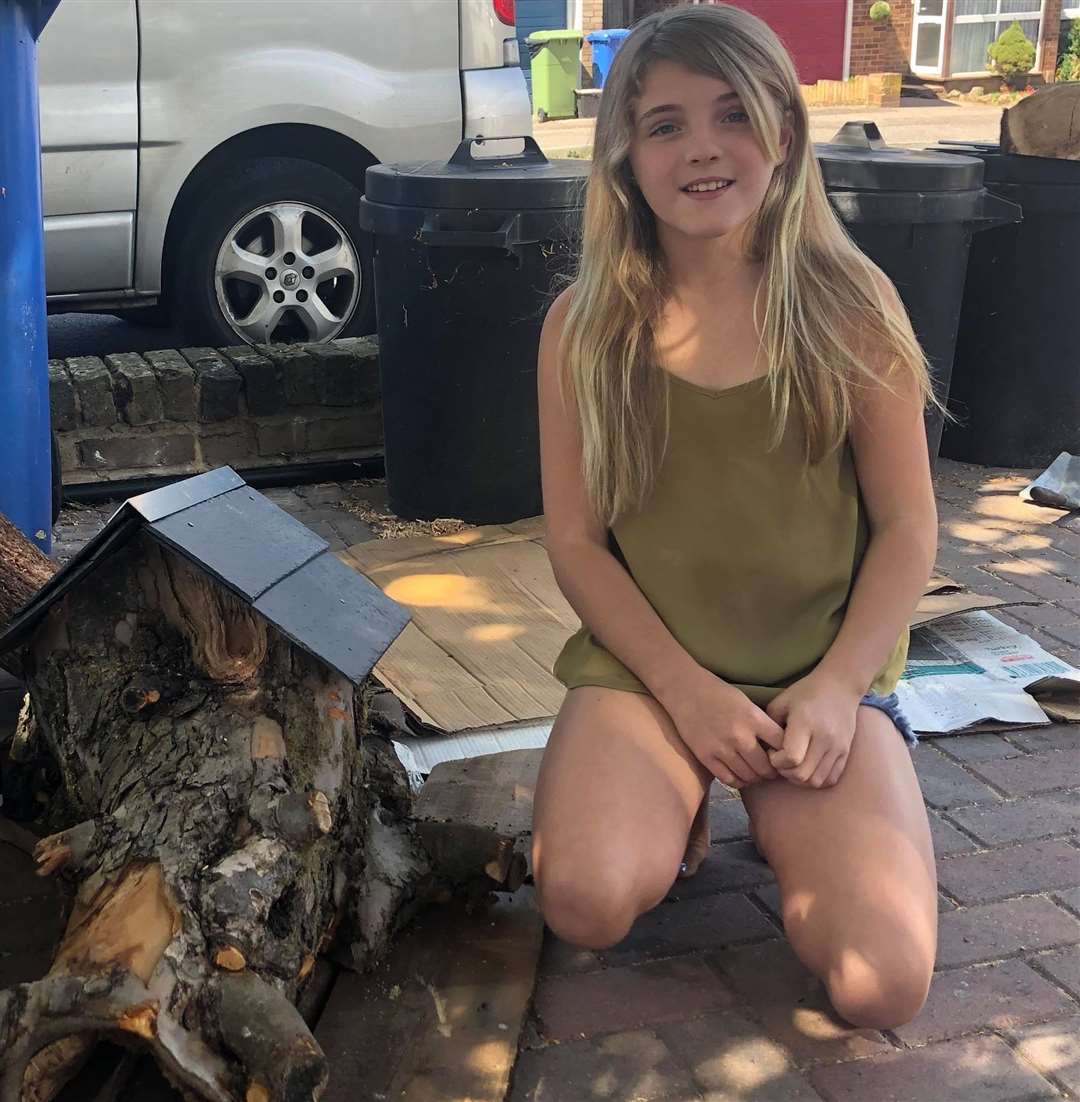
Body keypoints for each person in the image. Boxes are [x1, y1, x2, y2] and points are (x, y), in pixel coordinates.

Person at [531, 4, 939, 1030]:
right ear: (624, 152)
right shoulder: (583, 326)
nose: (702, 147)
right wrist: (686, 694)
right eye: (665, 124)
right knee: (583, 899)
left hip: (817, 679)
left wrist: (843, 687)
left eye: (732, 114)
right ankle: (676, 802)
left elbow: (908, 530)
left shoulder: (851, 305)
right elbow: (576, 542)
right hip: (655, 674)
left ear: (785, 132)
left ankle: (794, 800)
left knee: (878, 986)